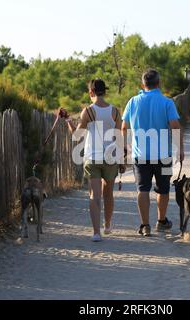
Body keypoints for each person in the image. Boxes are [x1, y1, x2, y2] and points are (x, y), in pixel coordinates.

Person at [122, 69, 185, 237]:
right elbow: (175, 126)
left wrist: (126, 146)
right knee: (163, 189)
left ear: (143, 84)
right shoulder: (166, 102)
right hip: (163, 156)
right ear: (159, 83)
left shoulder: (133, 102)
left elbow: (124, 127)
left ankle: (145, 225)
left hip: (140, 155)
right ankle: (161, 221)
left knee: (142, 189)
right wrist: (180, 149)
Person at [62, 79, 125, 242]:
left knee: (94, 196)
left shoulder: (88, 111)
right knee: (108, 193)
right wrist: (122, 160)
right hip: (110, 157)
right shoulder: (116, 112)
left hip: (92, 157)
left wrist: (69, 122)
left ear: (91, 92)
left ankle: (96, 233)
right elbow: (119, 138)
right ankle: (108, 224)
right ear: (105, 91)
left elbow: (77, 136)